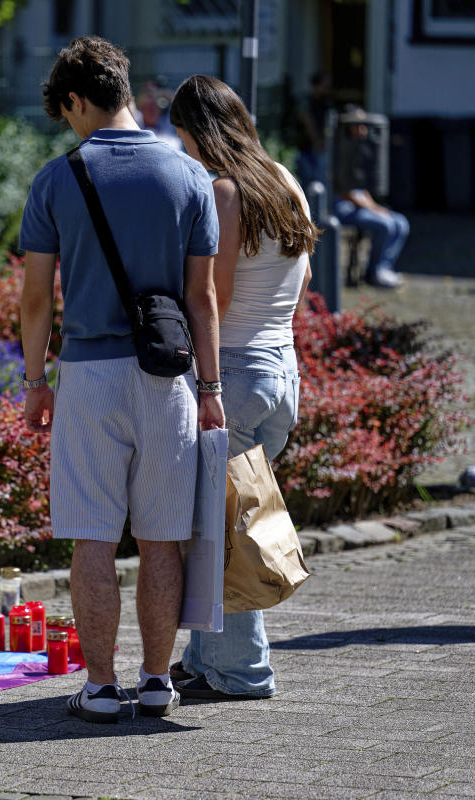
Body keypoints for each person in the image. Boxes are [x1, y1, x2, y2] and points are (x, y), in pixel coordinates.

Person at [19, 36, 224, 724]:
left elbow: (36, 298)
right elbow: (204, 300)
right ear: (127, 92)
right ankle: (160, 680)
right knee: (162, 538)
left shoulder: (56, 180)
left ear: (76, 100)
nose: (70, 125)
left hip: (88, 374)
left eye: (67, 113)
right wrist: (214, 391)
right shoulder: (190, 178)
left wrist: (34, 381)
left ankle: (102, 687)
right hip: (171, 377)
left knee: (94, 539)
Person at [167, 74, 317, 701]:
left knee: (225, 529)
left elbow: (215, 299)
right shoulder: (285, 181)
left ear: (199, 132)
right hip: (281, 369)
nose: (180, 150)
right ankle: (206, 660)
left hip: (236, 374)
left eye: (180, 137)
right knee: (221, 518)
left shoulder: (224, 193)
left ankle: (241, 671)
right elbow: (300, 284)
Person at [333, 106, 408, 290]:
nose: (363, 129)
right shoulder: (339, 151)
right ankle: (374, 272)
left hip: (362, 206)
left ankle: (384, 267)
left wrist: (376, 207)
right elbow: (345, 192)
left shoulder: (359, 150)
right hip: (343, 209)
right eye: (358, 125)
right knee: (386, 225)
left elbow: (361, 188)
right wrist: (373, 210)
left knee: (400, 222)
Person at [295, 72, 332, 189]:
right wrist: (317, 141)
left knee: (319, 183)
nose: (327, 90)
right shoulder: (306, 102)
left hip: (319, 148)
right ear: (316, 86)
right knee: (309, 183)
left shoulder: (326, 104)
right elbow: (307, 121)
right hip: (307, 148)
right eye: (324, 86)